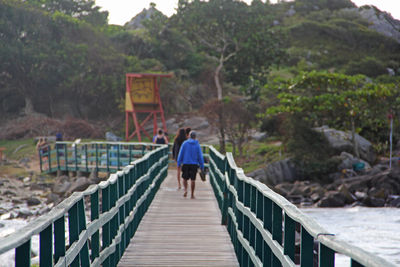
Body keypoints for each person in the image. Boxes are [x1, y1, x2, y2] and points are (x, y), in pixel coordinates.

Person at [177, 131, 204, 199]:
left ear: (189, 136)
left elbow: (181, 153)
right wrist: (202, 165)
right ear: (195, 137)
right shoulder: (197, 144)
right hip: (194, 164)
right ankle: (192, 194)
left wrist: (179, 162)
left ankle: (186, 189)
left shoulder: (185, 143)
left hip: (186, 163)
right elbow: (200, 156)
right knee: (193, 179)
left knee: (184, 178)